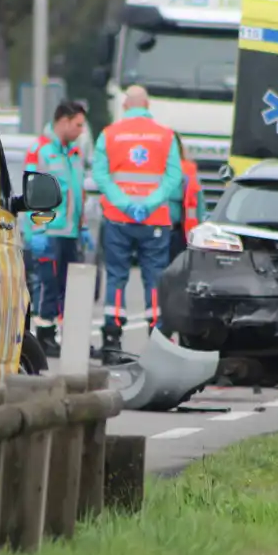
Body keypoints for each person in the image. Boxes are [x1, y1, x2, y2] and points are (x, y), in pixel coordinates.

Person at [92, 85, 182, 364]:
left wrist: (124, 203)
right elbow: (173, 177)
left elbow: (100, 174)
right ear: (147, 104)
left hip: (118, 218)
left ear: (125, 106)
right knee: (154, 277)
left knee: (117, 275)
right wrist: (150, 204)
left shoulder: (109, 135)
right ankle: (157, 340)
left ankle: (112, 340)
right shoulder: (166, 136)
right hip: (154, 220)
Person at [23, 100, 91, 357]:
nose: (81, 131)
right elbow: (32, 190)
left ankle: (61, 336)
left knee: (66, 288)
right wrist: (36, 229)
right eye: (78, 125)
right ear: (63, 121)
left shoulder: (73, 152)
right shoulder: (40, 150)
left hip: (70, 232)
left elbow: (77, 190)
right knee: (47, 286)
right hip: (49, 231)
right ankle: (44, 337)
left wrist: (82, 226)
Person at [168, 133, 206, 263]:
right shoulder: (186, 172)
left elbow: (199, 206)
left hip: (178, 234)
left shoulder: (187, 173)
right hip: (173, 233)